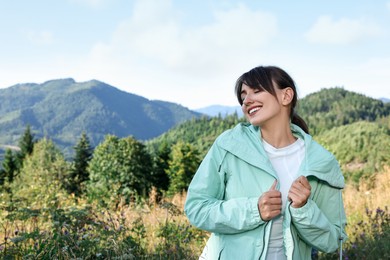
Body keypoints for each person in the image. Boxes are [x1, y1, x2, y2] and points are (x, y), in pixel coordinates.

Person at [184, 65, 347, 259]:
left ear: (286, 96)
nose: (246, 101)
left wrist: (304, 210)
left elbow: (332, 241)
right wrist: (254, 211)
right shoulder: (229, 145)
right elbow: (196, 208)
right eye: (243, 95)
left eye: (257, 90)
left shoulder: (322, 163)